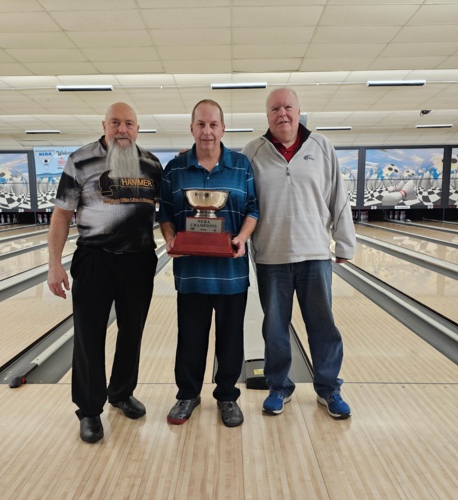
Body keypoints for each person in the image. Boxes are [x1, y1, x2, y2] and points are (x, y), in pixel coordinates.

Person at [47, 102, 162, 443]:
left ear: (137, 128)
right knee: (88, 337)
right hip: (95, 259)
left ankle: (122, 393)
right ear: (105, 125)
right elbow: (62, 215)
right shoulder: (80, 160)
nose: (122, 129)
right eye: (116, 122)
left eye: (129, 123)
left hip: (139, 260)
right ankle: (89, 410)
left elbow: (169, 211)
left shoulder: (152, 164)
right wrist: (54, 264)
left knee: (132, 333)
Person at [242, 88, 356, 420]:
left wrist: (344, 243)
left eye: (288, 107)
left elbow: (339, 197)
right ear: (268, 116)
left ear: (298, 111)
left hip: (315, 254)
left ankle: (329, 388)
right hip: (271, 256)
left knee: (323, 325)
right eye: (275, 108)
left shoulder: (321, 147)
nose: (283, 113)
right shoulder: (254, 151)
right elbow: (244, 203)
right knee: (275, 327)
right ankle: (279, 387)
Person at [158, 99, 259, 428]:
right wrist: (171, 238)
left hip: (231, 275)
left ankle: (228, 397)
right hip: (191, 275)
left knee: (231, 340)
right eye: (201, 124)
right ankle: (187, 394)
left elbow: (254, 210)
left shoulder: (242, 165)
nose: (207, 131)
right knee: (190, 339)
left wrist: (242, 238)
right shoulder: (175, 169)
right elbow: (165, 215)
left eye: (213, 124)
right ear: (191, 128)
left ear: (222, 128)